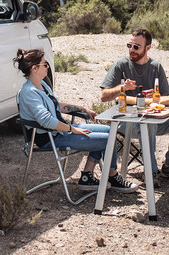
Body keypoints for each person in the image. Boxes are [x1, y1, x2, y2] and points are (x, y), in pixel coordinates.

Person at [15, 48, 138, 193]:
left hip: (58, 132)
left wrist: (82, 109)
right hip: (49, 137)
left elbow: (56, 105)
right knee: (108, 139)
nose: (47, 67)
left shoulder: (42, 85)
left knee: (110, 130)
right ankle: (111, 176)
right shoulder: (29, 92)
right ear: (34, 68)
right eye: (45, 64)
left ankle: (88, 176)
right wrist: (72, 129)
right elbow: (46, 121)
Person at [100, 28, 169, 183]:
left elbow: (167, 97)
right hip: (127, 122)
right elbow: (103, 96)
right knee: (148, 124)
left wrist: (155, 96)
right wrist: (122, 88)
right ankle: (151, 171)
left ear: (148, 48)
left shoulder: (156, 67)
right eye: (129, 45)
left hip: (152, 118)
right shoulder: (121, 65)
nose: (131, 50)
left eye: (136, 47)